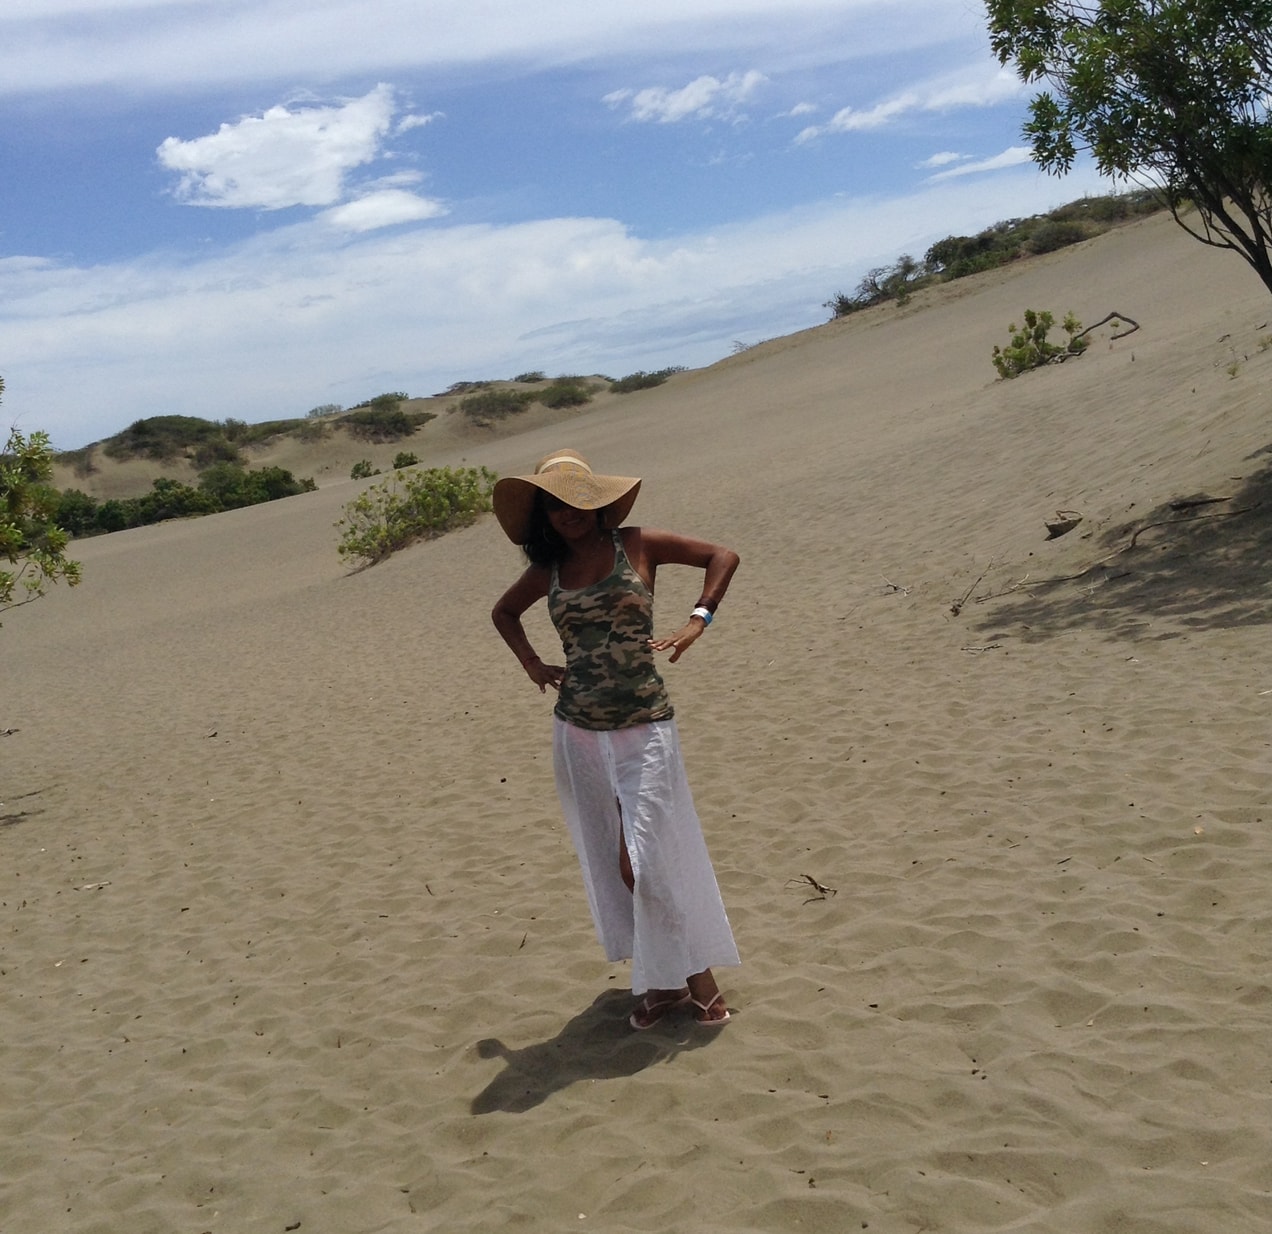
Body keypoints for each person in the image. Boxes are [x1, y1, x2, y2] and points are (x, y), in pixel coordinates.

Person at [490, 449, 740, 1029]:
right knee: (616, 864)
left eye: (576, 499)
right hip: (578, 730)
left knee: (645, 861)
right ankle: (666, 984)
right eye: (553, 505)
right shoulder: (546, 572)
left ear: (596, 500)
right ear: (544, 518)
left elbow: (722, 556)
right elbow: (503, 612)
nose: (567, 514)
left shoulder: (638, 543)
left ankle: (696, 979)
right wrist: (531, 663)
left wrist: (699, 618)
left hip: (644, 726)